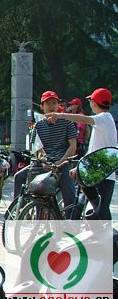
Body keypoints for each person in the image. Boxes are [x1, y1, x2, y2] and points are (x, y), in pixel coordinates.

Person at [46, 88, 116, 219]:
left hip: (103, 175)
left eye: (90, 101)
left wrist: (61, 115)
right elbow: (93, 150)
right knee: (95, 211)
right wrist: (79, 167)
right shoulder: (102, 122)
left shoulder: (104, 118)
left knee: (102, 213)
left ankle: (103, 228)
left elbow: (85, 119)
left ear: (94, 103)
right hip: (96, 172)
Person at [14, 91, 78, 217]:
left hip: (63, 162)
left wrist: (60, 162)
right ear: (42, 107)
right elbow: (36, 148)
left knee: (68, 190)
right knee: (19, 176)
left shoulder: (67, 122)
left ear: (58, 105)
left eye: (54, 103)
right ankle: (20, 210)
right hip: (43, 162)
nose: (51, 106)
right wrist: (43, 160)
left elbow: (73, 146)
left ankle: (71, 220)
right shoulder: (38, 125)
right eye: (47, 103)